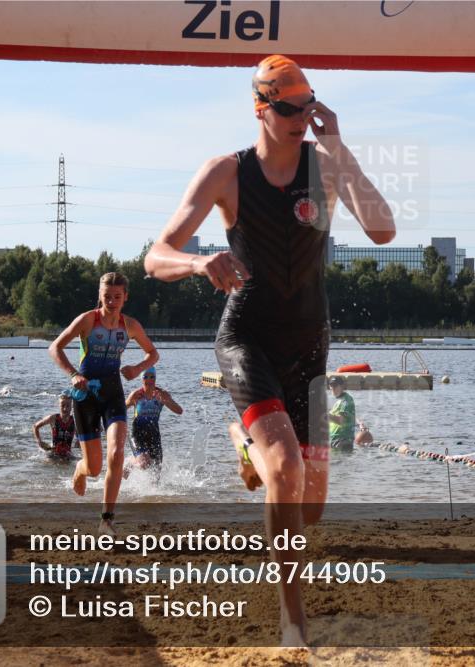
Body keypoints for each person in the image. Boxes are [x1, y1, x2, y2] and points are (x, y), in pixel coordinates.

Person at [143, 55, 394, 645]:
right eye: (288, 107)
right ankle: (292, 619)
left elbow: (382, 229)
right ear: (262, 108)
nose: (302, 117)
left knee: (309, 510)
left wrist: (342, 148)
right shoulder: (225, 173)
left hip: (310, 342)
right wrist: (199, 260)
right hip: (246, 338)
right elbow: (155, 256)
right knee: (285, 468)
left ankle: (245, 442)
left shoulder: (325, 168)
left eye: (309, 105)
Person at [48, 271, 159, 536]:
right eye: (107, 296)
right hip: (86, 395)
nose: (111, 302)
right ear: (100, 295)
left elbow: (153, 353)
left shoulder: (130, 325)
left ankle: (106, 519)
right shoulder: (88, 320)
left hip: (113, 393)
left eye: (117, 297)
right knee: (95, 468)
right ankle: (80, 469)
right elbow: (55, 347)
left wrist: (137, 368)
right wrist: (74, 375)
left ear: (125, 298)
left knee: (117, 454)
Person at [125, 367, 183, 470]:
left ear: (155, 379)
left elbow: (179, 411)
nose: (149, 380)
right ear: (141, 379)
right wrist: (129, 400)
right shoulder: (136, 395)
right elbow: (120, 409)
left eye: (152, 377)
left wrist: (166, 401)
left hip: (154, 433)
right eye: (145, 377)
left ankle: (123, 477)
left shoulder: (162, 394)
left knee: (157, 470)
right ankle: (130, 462)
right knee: (143, 463)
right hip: (137, 432)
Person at [33, 394, 79, 462]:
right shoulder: (53, 418)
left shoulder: (75, 421)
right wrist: (39, 441)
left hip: (68, 455)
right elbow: (36, 426)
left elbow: (81, 436)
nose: (65, 408)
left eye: (68, 406)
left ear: (71, 406)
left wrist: (79, 441)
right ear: (59, 405)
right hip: (53, 455)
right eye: (62, 405)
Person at [327, 376, 355, 451]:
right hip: (335, 439)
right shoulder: (338, 402)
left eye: (335, 385)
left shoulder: (346, 400)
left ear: (342, 386)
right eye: (331, 385)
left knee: (339, 462)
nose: (333, 388)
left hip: (343, 440)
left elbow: (341, 421)